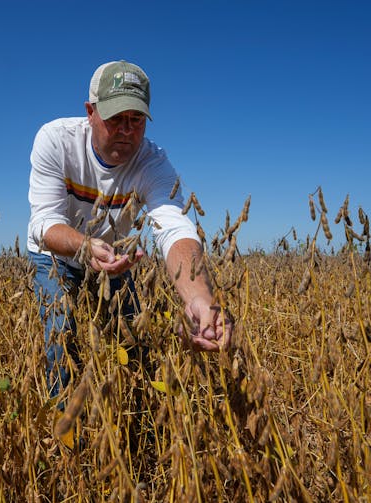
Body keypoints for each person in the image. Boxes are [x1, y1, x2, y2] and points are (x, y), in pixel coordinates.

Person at [27, 60, 233, 398]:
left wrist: (199, 298)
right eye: (115, 118)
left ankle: (135, 419)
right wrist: (85, 247)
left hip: (116, 259)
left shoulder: (153, 163)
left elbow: (174, 228)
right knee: (59, 340)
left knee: (134, 342)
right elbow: (44, 223)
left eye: (136, 120)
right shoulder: (56, 140)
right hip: (55, 257)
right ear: (90, 112)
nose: (126, 130)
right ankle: (63, 440)